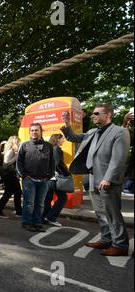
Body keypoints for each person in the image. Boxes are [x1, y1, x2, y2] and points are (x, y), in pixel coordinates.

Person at [61, 104, 130, 256]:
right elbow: (73, 137)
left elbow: (118, 159)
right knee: (100, 213)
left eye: (96, 113)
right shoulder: (92, 132)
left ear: (108, 115)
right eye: (93, 114)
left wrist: (108, 178)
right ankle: (106, 239)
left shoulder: (120, 131)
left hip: (107, 181)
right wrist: (67, 123)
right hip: (93, 178)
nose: (93, 116)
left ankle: (120, 245)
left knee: (112, 213)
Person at [17, 123, 55, 232]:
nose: (34, 132)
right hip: (29, 179)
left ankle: (37, 222)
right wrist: (23, 175)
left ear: (41, 131)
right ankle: (26, 223)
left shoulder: (48, 146)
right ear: (30, 132)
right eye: (32, 130)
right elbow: (19, 162)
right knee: (29, 204)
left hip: (43, 180)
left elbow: (52, 162)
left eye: (36, 130)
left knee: (40, 204)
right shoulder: (24, 145)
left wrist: (50, 175)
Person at [42, 134, 71, 227]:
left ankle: (44, 218)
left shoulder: (49, 148)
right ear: (58, 139)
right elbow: (59, 163)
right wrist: (67, 173)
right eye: (63, 138)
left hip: (48, 178)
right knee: (63, 198)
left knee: (47, 199)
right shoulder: (56, 149)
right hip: (55, 178)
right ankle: (51, 217)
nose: (64, 140)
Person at [0, 136, 22, 217]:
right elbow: (6, 163)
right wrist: (15, 157)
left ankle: (18, 211)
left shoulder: (11, 151)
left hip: (10, 174)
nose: (19, 144)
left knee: (14, 192)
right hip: (8, 175)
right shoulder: (10, 151)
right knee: (11, 192)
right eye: (18, 142)